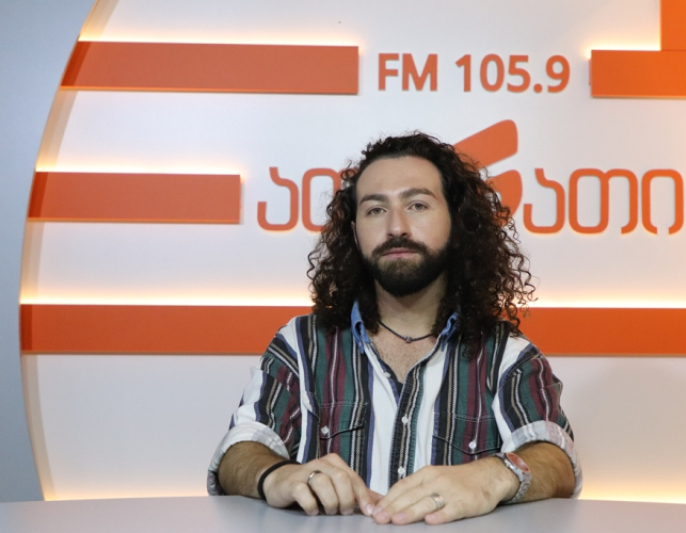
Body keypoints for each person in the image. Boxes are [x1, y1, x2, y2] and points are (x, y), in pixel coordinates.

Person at [208, 132, 581, 525]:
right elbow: (239, 450)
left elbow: (557, 459)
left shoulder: (507, 354)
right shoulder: (303, 344)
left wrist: (491, 477)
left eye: (417, 205)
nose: (396, 227)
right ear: (355, 233)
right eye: (375, 210)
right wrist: (276, 476)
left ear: (457, 224)